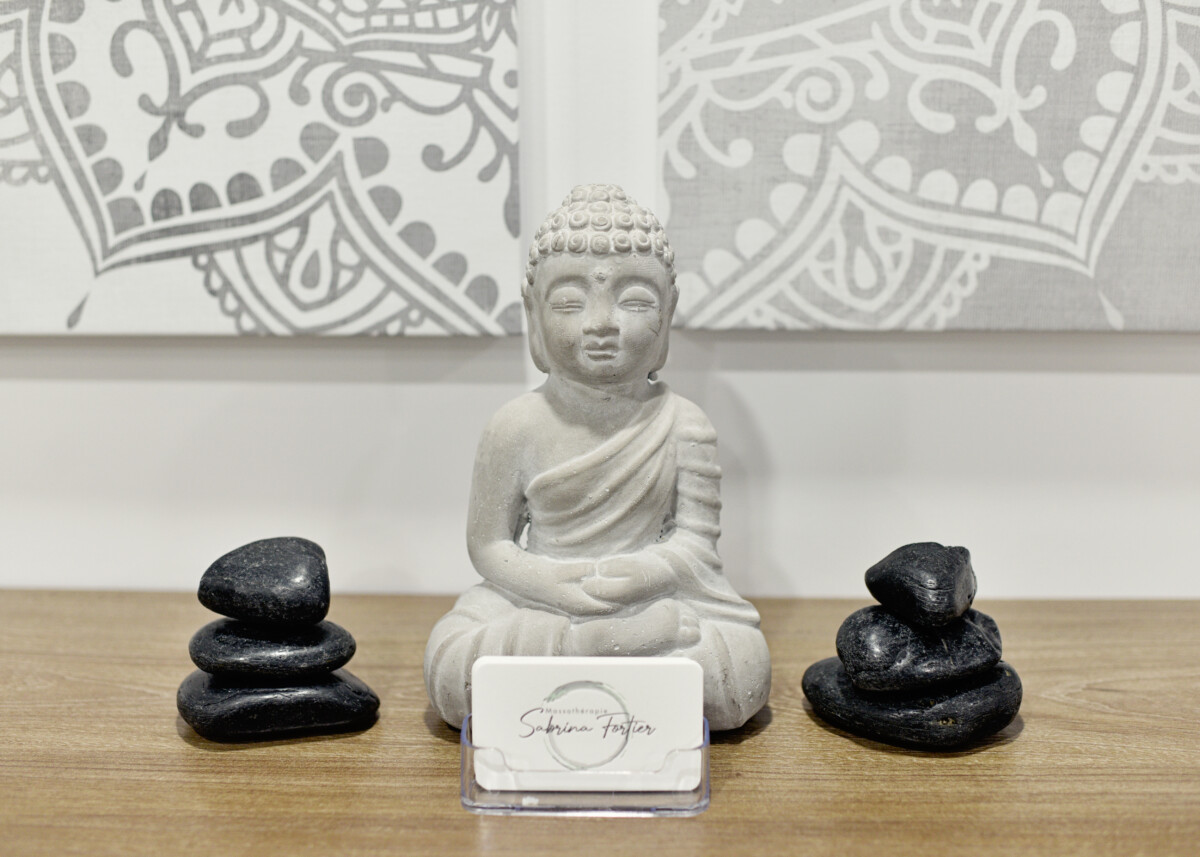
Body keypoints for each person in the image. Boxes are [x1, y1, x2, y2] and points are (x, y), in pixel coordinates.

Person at [423, 184, 771, 731]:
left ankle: (579, 660)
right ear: (534, 313)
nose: (602, 322)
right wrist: (550, 584)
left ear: (667, 314)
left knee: (740, 669)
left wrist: (643, 572)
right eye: (569, 302)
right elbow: (489, 545)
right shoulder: (515, 425)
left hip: (648, 595)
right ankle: (601, 646)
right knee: (451, 662)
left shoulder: (684, 424)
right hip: (542, 596)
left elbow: (696, 545)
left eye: (634, 301)